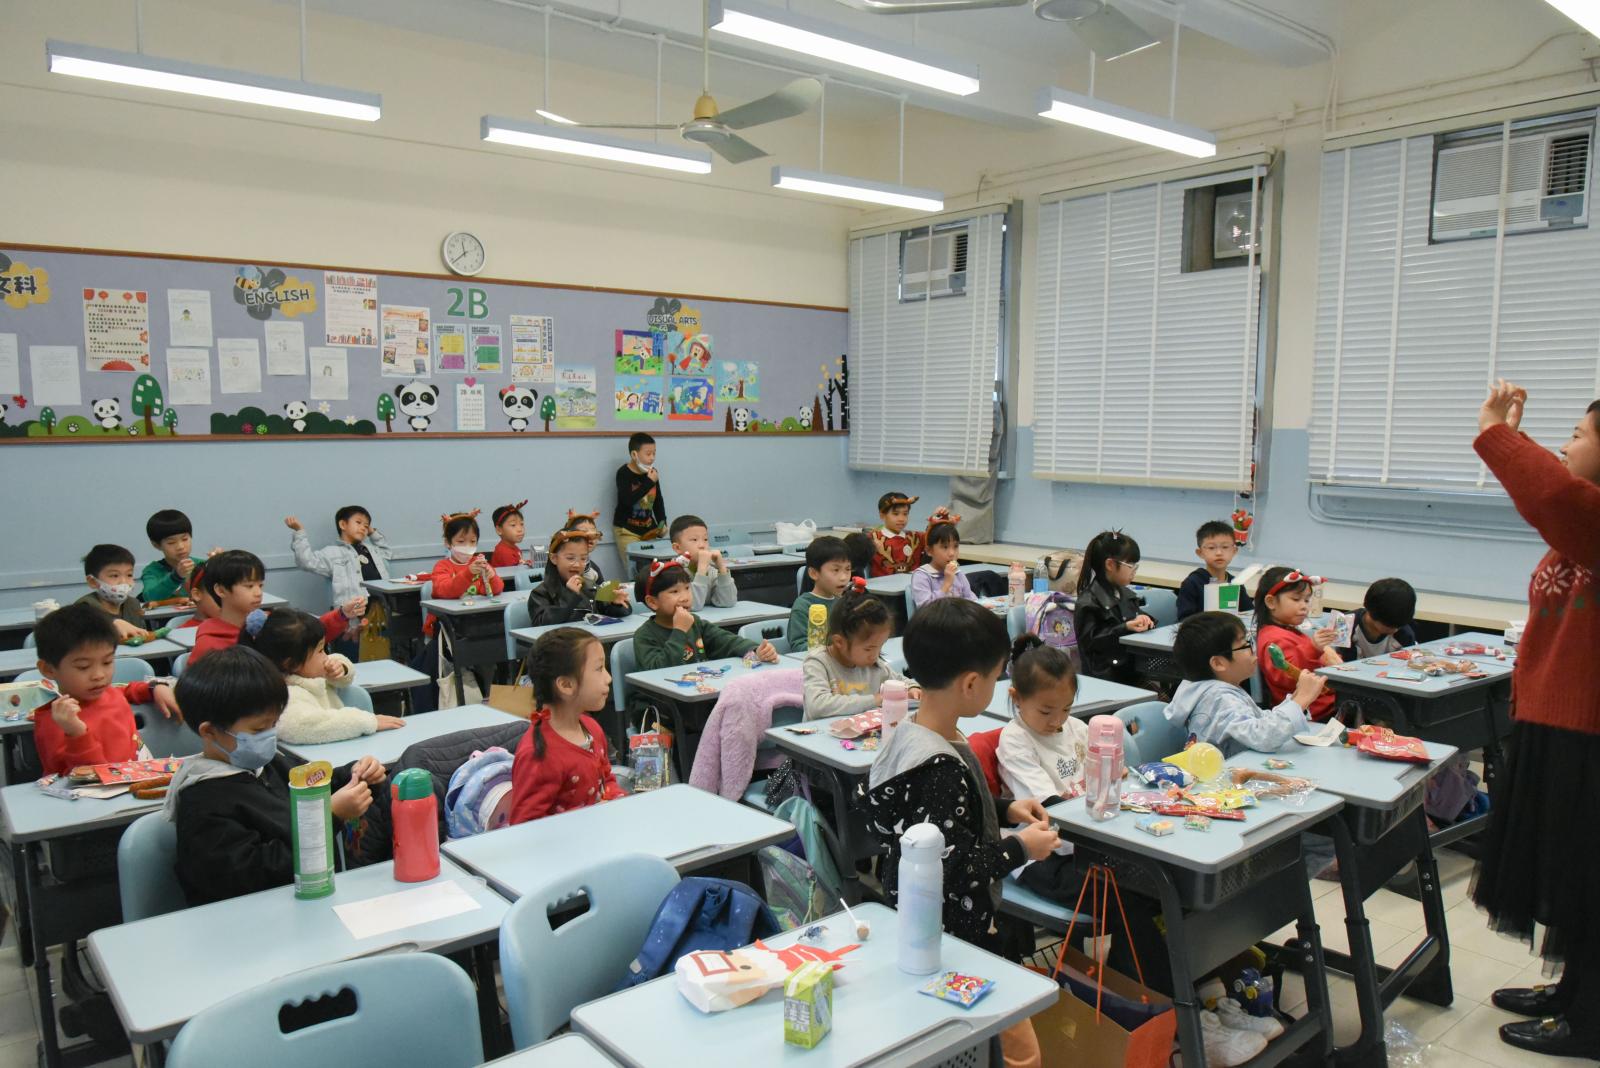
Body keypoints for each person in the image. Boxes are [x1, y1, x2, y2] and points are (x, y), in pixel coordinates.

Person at [861, 598, 1057, 1068]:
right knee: (1012, 1048)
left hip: (926, 923)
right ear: (971, 684)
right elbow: (953, 869)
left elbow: (944, 820)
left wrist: (1004, 809)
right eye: (995, 677)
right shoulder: (939, 769)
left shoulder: (916, 733)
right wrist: (1021, 848)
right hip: (953, 935)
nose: (996, 686)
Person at [1470, 380, 1600, 1058]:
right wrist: (1520, 445)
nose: (1566, 445)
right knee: (1573, 875)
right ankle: (1573, 992)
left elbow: (1554, 497)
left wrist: (1498, 433)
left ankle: (1591, 1020)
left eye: (1579, 434)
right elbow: (1557, 498)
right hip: (1562, 722)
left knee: (1589, 878)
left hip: (1589, 731)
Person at [163, 646, 390, 906]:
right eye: (259, 729)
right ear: (210, 732)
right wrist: (329, 816)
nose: (270, 736)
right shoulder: (204, 802)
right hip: (254, 917)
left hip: (311, 901)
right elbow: (254, 877)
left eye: (273, 724)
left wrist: (359, 774)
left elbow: (318, 782)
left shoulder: (267, 764)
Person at [30, 603, 179, 776]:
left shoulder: (105, 692)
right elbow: (83, 779)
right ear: (48, 669)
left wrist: (154, 688)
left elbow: (125, 690)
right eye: (83, 667)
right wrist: (77, 733)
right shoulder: (55, 721)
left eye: (107, 662)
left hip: (135, 781)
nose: (99, 675)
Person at [1168, 612, 1324, 756]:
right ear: (1218, 663)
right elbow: (1263, 737)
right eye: (1245, 644)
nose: (1253, 650)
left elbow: (1260, 721)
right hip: (1224, 774)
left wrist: (1298, 697)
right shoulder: (1220, 699)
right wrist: (1301, 700)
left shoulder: (1218, 690)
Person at [239, 608, 404, 745]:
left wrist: (341, 668)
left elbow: (343, 677)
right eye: (320, 651)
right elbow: (304, 727)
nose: (326, 657)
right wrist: (366, 721)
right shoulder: (286, 695)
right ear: (292, 664)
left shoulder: (311, 674)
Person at [509, 627, 624, 823]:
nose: (608, 678)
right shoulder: (538, 755)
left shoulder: (591, 728)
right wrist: (588, 818)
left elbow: (607, 779)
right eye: (599, 669)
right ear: (566, 685)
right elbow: (524, 826)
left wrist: (618, 802)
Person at [191, 550, 357, 664]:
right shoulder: (209, 644)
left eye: (260, 585)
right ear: (221, 590)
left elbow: (308, 634)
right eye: (249, 586)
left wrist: (342, 614)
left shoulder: (269, 621)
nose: (258, 593)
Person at [631, 560, 778, 670]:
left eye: (687, 588)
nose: (685, 597)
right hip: (663, 699)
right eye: (674, 591)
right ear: (652, 602)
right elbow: (658, 670)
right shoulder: (644, 636)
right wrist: (680, 631)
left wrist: (756, 650)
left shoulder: (695, 622)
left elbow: (727, 641)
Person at [995, 635, 1089, 805]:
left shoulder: (1078, 728)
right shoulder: (1015, 740)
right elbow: (1046, 803)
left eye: (1066, 709)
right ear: (1017, 698)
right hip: (1049, 818)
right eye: (1046, 712)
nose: (1057, 721)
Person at [801, 585, 912, 720]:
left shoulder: (872, 664)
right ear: (839, 642)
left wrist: (912, 688)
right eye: (868, 649)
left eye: (880, 647)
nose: (875, 655)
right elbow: (817, 706)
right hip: (820, 732)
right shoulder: (818, 662)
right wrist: (874, 700)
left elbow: (901, 682)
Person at [1253, 566, 1339, 722]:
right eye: (1296, 599)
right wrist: (1314, 648)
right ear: (1271, 602)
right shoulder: (1273, 638)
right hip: (1314, 713)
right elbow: (1288, 677)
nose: (1304, 606)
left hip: (1326, 705)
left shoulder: (1287, 631)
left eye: (1306, 600)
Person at [1073, 531, 1156, 684]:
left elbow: (1135, 618)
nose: (1134, 570)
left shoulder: (1125, 594)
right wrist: (1125, 628)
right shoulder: (1088, 602)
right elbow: (1091, 642)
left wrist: (1145, 619)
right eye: (1130, 565)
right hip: (1106, 678)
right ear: (1110, 564)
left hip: (1131, 671)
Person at [286, 505, 391, 610]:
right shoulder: (332, 552)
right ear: (343, 524)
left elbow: (386, 553)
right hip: (352, 612)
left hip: (382, 607)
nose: (363, 528)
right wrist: (299, 532)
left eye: (366, 526)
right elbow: (306, 562)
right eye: (358, 522)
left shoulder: (371, 550)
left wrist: (372, 533)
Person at [526, 527, 630, 625]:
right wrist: (571, 596)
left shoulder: (590, 588)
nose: (577, 564)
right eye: (570, 558)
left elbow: (610, 612)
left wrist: (617, 604)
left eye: (583, 558)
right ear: (554, 558)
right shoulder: (540, 593)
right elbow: (542, 624)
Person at [1176, 520, 1255, 621]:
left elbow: (1248, 614)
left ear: (1234, 551)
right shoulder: (1192, 583)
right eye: (1211, 547)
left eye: (1225, 547)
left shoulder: (1235, 583)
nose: (1219, 553)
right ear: (1200, 553)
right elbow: (1184, 620)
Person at [788, 535, 853, 650]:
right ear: (814, 573)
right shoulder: (803, 606)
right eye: (836, 570)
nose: (844, 577)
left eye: (847, 569)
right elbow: (798, 646)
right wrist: (832, 650)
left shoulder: (844, 603)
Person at [867, 492, 954, 576]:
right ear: (882, 515)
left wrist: (937, 517)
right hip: (883, 586)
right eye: (895, 514)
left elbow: (934, 537)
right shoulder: (872, 539)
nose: (901, 519)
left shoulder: (915, 537)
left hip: (914, 584)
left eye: (905, 514)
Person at [1336, 578, 1417, 661]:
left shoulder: (1405, 634)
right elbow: (1337, 659)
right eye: (1389, 627)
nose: (1394, 630)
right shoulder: (1344, 623)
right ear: (1370, 611)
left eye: (1398, 626)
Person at [77, 544, 147, 640]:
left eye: (129, 575)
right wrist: (112, 623)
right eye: (114, 575)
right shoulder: (84, 607)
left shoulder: (133, 604)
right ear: (93, 582)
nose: (124, 582)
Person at [669, 514, 737, 610]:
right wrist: (702, 569)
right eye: (694, 540)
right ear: (677, 548)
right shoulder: (671, 574)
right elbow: (692, 606)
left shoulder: (711, 571)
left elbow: (728, 602)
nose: (702, 545)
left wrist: (721, 567)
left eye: (705, 539)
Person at [613, 432, 666, 549]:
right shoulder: (623, 473)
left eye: (654, 453)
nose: (652, 458)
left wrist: (662, 523)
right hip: (627, 530)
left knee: (654, 560)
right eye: (648, 454)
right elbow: (627, 500)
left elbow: (658, 501)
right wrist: (649, 482)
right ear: (634, 454)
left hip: (649, 529)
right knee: (635, 560)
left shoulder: (652, 473)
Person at [140, 509, 203, 605]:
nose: (181, 547)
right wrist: (176, 576)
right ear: (156, 545)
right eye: (171, 542)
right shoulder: (152, 571)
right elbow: (149, 597)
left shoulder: (202, 565)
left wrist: (221, 564)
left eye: (185, 539)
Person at [911, 521, 976, 607]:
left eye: (955, 546)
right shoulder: (922, 575)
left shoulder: (958, 574)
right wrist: (946, 584)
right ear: (929, 551)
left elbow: (971, 598)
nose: (952, 553)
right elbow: (925, 608)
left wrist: (980, 605)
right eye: (945, 547)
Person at [488, 500, 529, 569]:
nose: (520, 529)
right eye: (513, 525)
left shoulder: (514, 548)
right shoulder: (504, 552)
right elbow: (514, 572)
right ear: (499, 530)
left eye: (521, 524)